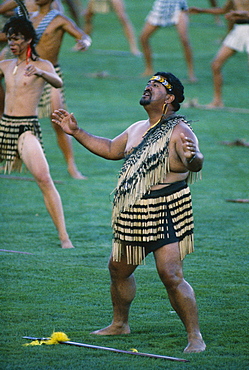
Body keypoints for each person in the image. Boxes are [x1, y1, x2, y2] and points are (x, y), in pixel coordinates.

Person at [52, 71, 206, 353]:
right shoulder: (137, 128)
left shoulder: (180, 131)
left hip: (166, 210)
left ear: (169, 98)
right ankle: (120, 324)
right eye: (148, 83)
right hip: (133, 212)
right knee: (118, 269)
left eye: (156, 85)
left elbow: (193, 161)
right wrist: (77, 132)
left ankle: (195, 337)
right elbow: (112, 148)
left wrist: (194, 157)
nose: (148, 87)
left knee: (171, 274)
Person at [0, 15, 74, 249]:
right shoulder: (5, 64)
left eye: (17, 39)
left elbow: (58, 83)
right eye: (9, 39)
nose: (12, 43)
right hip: (4, 126)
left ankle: (65, 238)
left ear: (28, 40)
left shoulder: (43, 66)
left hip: (25, 129)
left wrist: (41, 73)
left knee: (44, 178)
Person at [0, 0, 92, 179]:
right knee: (14, 116)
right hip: (26, 71)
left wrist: (84, 42)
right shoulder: (27, 14)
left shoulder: (58, 18)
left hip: (48, 72)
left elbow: (82, 35)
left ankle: (71, 166)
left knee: (58, 118)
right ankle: (13, 157)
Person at [189, 1, 249, 108]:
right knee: (216, 64)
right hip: (238, 30)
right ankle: (217, 101)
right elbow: (224, 10)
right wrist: (202, 11)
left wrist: (243, 14)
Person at [140, 0, 197, 82]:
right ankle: (149, 69)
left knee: (184, 40)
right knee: (143, 38)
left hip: (178, 7)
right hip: (161, 7)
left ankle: (191, 73)